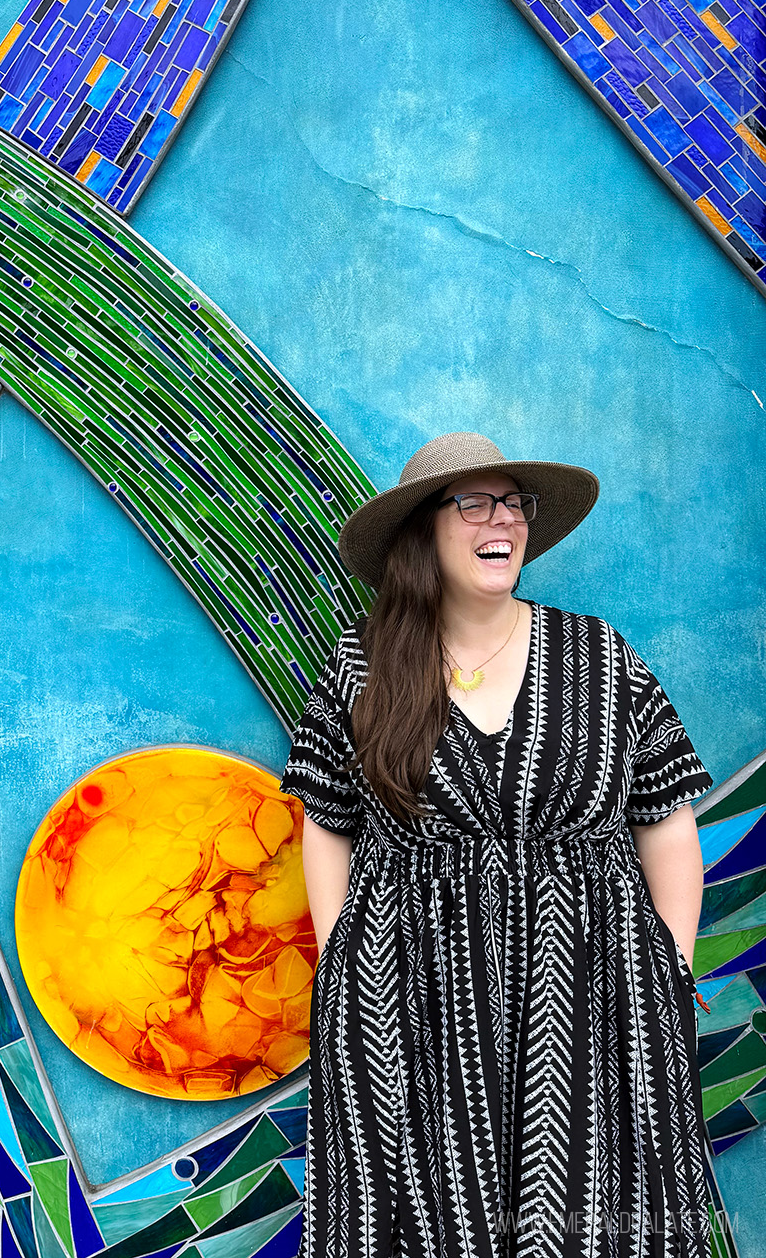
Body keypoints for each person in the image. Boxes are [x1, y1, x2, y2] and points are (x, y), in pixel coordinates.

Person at [279, 431, 713, 1258]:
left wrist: (671, 965)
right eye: (473, 502)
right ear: (423, 531)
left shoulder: (601, 657)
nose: (501, 519)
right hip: (411, 1002)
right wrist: (348, 972)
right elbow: (327, 822)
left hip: (595, 994)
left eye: (513, 502)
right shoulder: (365, 666)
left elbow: (664, 814)